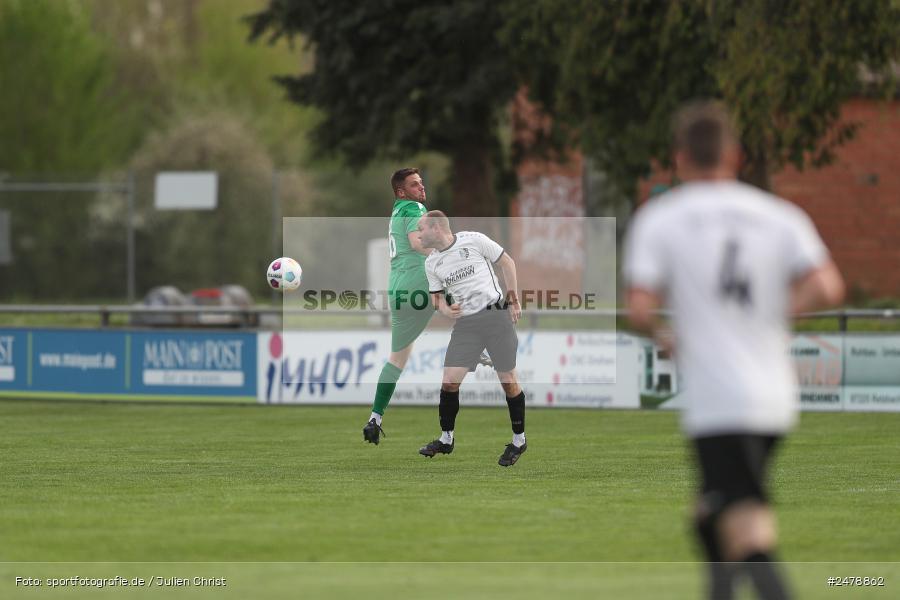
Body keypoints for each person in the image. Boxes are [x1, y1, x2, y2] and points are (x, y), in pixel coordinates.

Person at [623, 101, 844, 600]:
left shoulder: (661, 219)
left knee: (747, 530)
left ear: (679, 159)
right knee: (709, 514)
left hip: (719, 400)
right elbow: (828, 286)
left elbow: (638, 307)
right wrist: (771, 318)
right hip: (774, 394)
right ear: (736, 156)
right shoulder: (778, 214)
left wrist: (666, 337)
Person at [416, 210, 527, 467]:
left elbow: (507, 262)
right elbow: (436, 299)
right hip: (467, 325)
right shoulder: (431, 263)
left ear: (435, 228)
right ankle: (446, 439)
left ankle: (519, 441)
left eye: (421, 229)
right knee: (449, 382)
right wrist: (445, 309)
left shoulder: (473, 240)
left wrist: (513, 298)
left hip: (496, 316)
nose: (418, 235)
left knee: (509, 382)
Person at [362, 168, 432, 445]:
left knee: (397, 360)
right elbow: (417, 243)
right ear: (401, 192)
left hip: (398, 290)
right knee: (465, 284)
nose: (421, 188)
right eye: (415, 184)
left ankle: (375, 419)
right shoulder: (414, 207)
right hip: (419, 280)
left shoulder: (396, 213)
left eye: (421, 183)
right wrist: (447, 247)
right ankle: (482, 347)